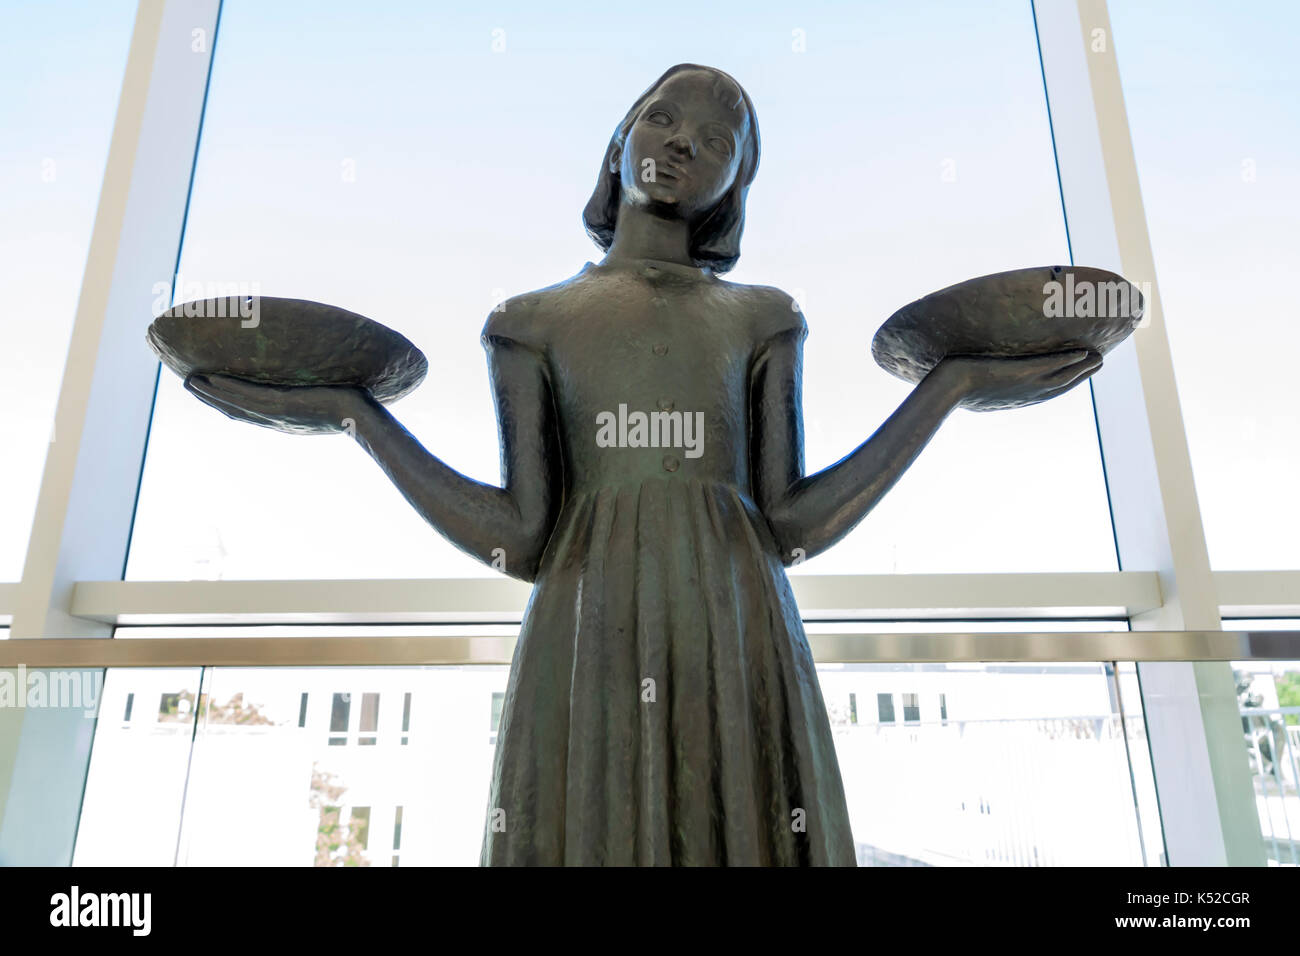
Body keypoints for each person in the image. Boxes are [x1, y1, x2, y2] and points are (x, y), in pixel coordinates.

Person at [186, 63, 1101, 865]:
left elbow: (790, 522)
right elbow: (522, 535)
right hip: (589, 625)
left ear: (737, 181)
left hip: (736, 621)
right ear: (621, 134)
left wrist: (947, 387)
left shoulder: (761, 315)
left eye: (717, 140)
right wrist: (355, 415)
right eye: (663, 117)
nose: (681, 144)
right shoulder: (528, 321)